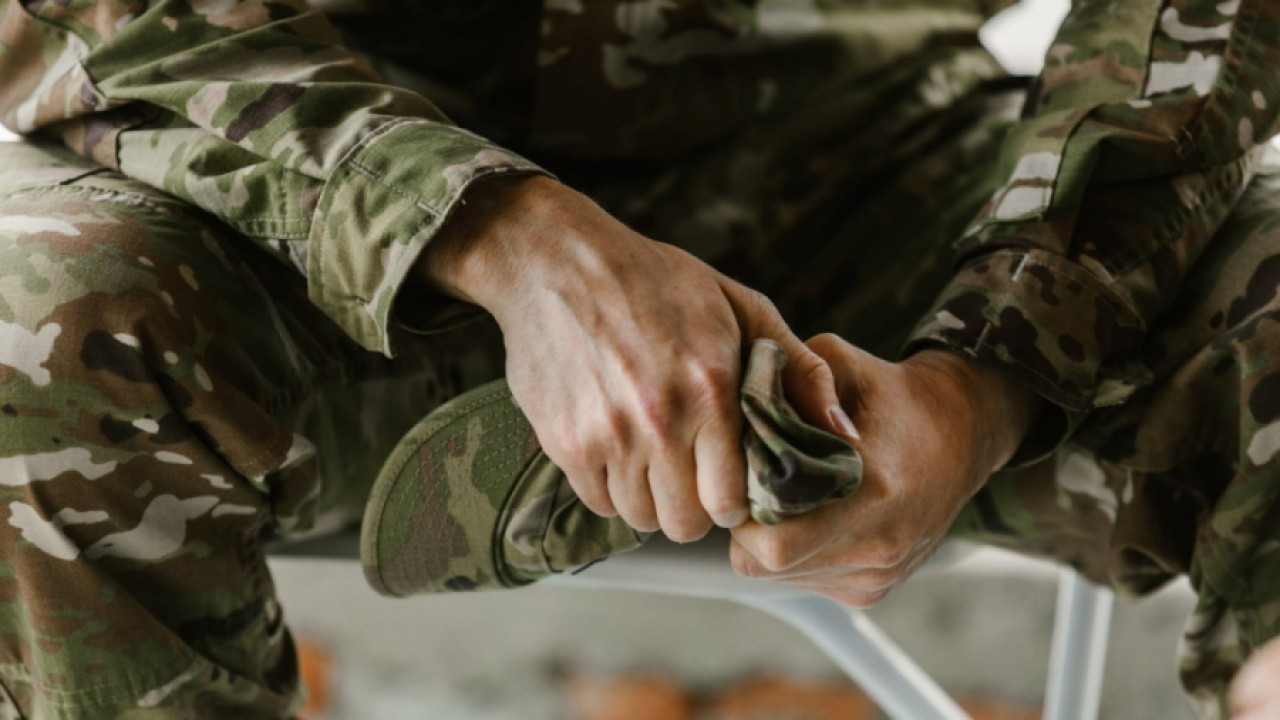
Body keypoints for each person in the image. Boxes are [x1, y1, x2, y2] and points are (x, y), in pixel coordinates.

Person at [0, 0, 1277, 716]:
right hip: (337, 191)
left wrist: (990, 372)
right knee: (36, 324)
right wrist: (507, 236)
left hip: (877, 170)